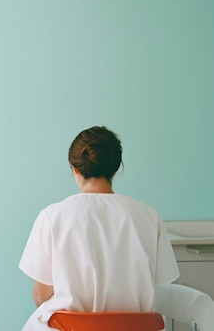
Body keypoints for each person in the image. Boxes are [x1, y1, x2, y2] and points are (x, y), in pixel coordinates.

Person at [18, 126, 179, 331]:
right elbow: (161, 287)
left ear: (75, 169)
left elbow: (40, 295)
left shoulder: (52, 216)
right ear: (116, 167)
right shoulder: (148, 216)